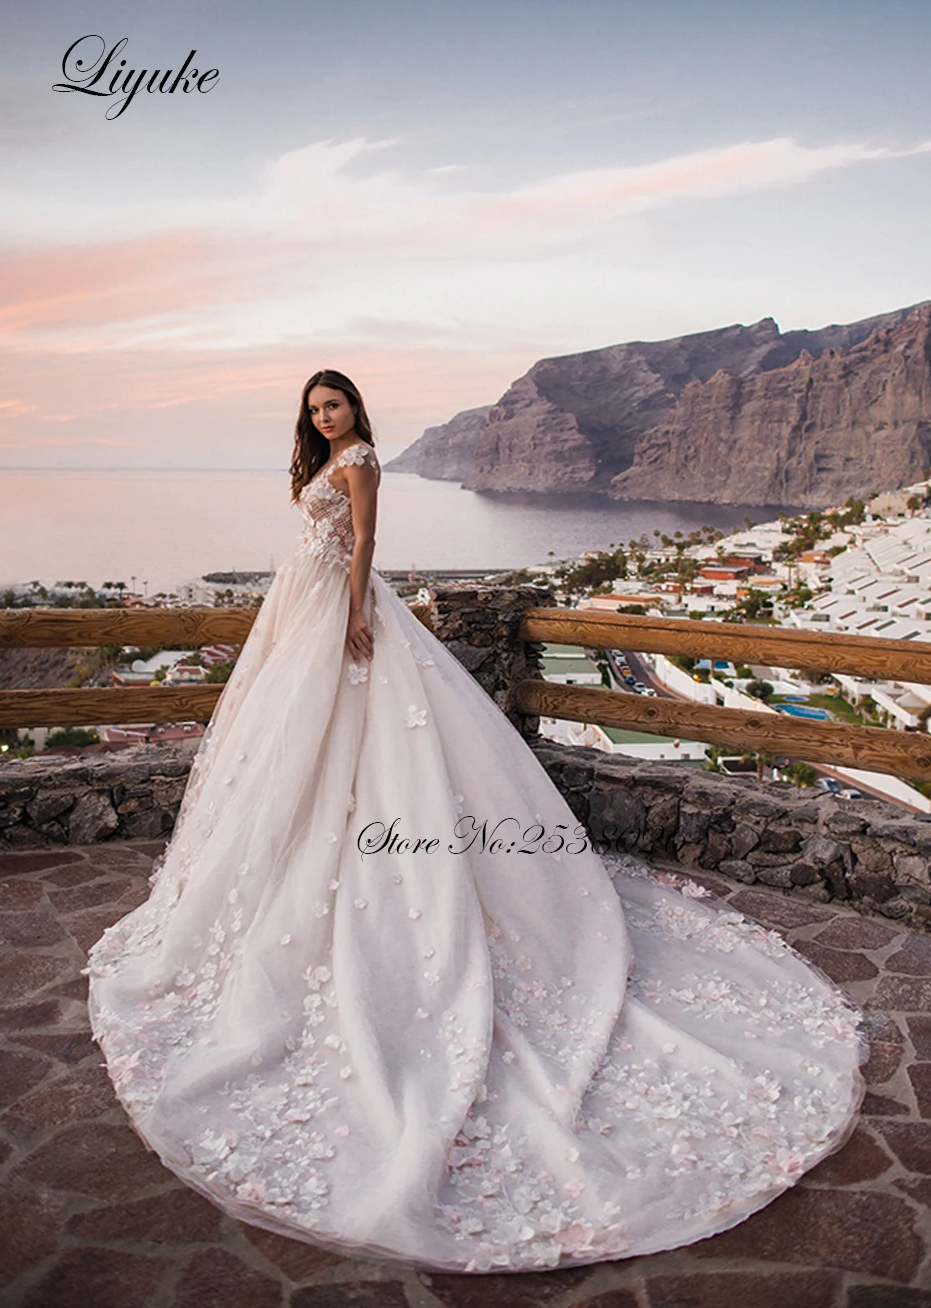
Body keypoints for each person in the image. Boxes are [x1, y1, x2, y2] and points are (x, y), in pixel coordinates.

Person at [87, 368, 866, 1275]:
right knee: (294, 764)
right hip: (299, 615)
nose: (324, 416)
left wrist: (348, 619)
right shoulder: (323, 460)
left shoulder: (365, 460)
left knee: (385, 767)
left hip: (340, 613)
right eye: (314, 408)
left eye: (333, 405)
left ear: (357, 411)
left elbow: (366, 542)